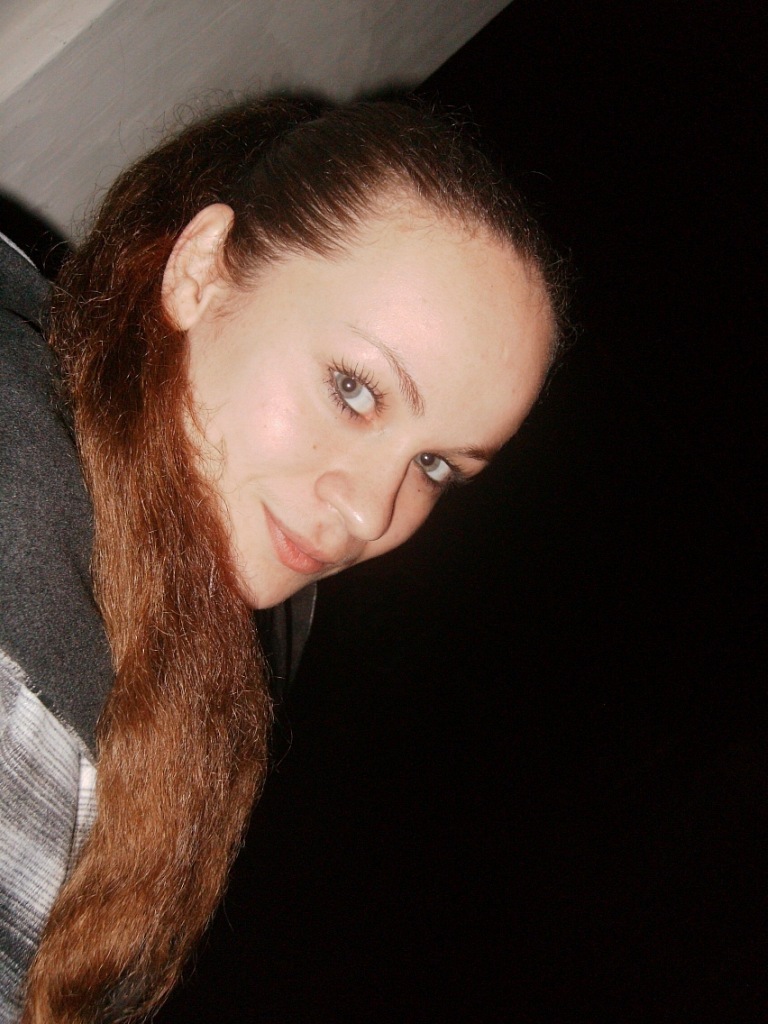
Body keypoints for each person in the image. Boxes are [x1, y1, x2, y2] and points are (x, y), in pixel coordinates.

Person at [0, 96, 564, 1023]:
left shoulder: (209, 615)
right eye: (354, 389)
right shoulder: (23, 566)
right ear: (200, 271)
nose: (369, 513)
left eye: (436, 467)